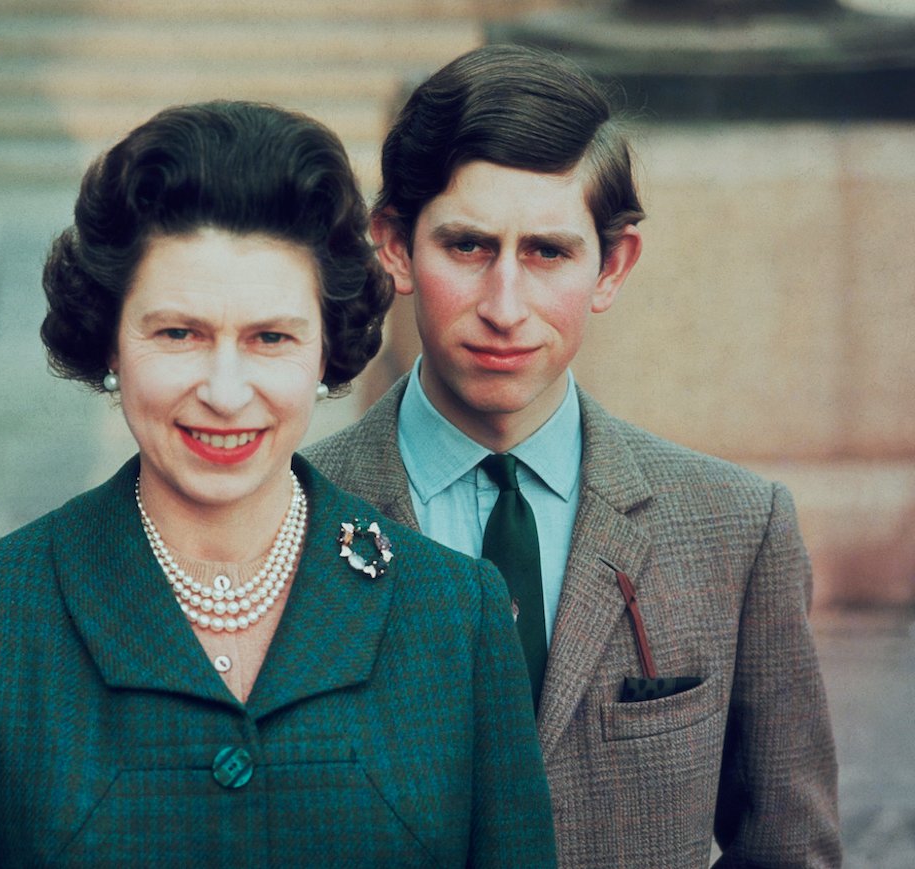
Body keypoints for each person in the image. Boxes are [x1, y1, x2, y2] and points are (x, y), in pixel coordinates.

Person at [0, 100, 556, 867]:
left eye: (270, 338)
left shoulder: (455, 615)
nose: (226, 391)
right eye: (179, 333)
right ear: (110, 340)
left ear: (326, 347)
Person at [306, 45, 840, 867]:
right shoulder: (290, 517)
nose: (505, 307)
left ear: (612, 264)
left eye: (548, 252)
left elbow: (789, 846)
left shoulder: (736, 526)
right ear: (394, 247)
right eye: (469, 247)